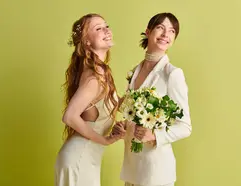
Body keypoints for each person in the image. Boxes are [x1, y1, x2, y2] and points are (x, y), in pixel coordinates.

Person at [116, 12, 192, 186]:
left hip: (155, 169)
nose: (166, 34)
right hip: (132, 167)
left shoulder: (172, 74)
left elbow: (185, 126)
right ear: (148, 32)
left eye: (172, 31)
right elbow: (134, 113)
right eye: (160, 28)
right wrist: (124, 126)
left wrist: (155, 135)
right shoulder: (135, 70)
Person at [55, 13, 126, 186]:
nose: (107, 30)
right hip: (79, 158)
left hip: (87, 157)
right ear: (86, 41)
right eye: (98, 28)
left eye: (106, 26)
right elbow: (70, 116)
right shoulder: (94, 76)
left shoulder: (101, 72)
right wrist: (105, 140)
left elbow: (118, 105)